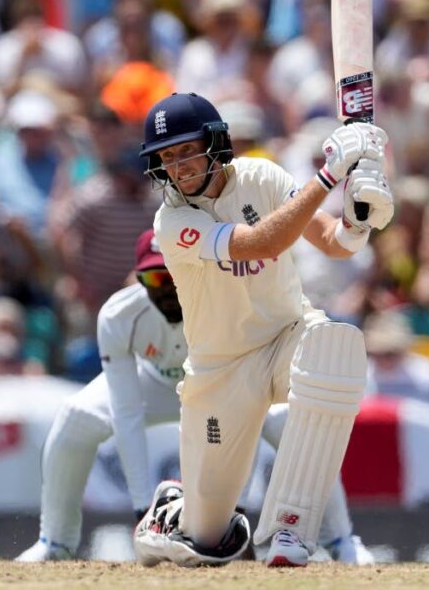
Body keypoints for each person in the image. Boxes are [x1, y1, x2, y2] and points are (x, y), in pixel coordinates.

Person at [131, 93, 393, 568]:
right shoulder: (172, 222)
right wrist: (331, 176)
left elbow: (333, 243)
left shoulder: (262, 176)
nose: (178, 167)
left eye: (186, 150)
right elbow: (259, 243)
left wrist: (358, 219)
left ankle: (290, 530)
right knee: (207, 542)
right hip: (222, 370)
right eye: (167, 157)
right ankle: (175, 511)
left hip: (287, 333)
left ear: (214, 143)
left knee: (334, 352)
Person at [17, 229, 373, 564]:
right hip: (154, 384)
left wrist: (235, 511)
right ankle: (55, 542)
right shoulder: (119, 315)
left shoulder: (228, 305)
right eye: (154, 280)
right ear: (138, 280)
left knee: (289, 421)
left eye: (172, 277)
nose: (166, 290)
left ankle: (341, 540)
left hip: (219, 385)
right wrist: (144, 511)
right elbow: (126, 413)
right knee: (75, 417)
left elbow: (245, 408)